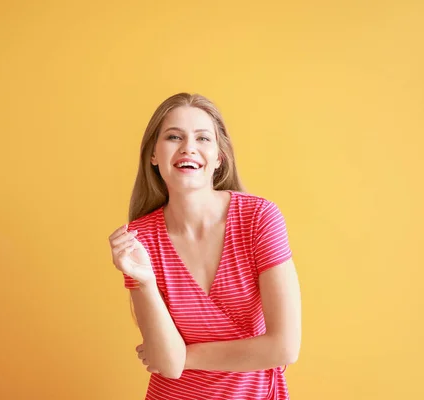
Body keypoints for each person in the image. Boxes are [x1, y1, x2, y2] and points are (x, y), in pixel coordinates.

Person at [108, 93, 302, 400]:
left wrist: (185, 356)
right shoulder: (139, 239)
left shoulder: (259, 219)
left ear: (219, 157)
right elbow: (166, 366)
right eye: (174, 137)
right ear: (153, 155)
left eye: (202, 138)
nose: (189, 147)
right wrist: (144, 282)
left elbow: (284, 347)